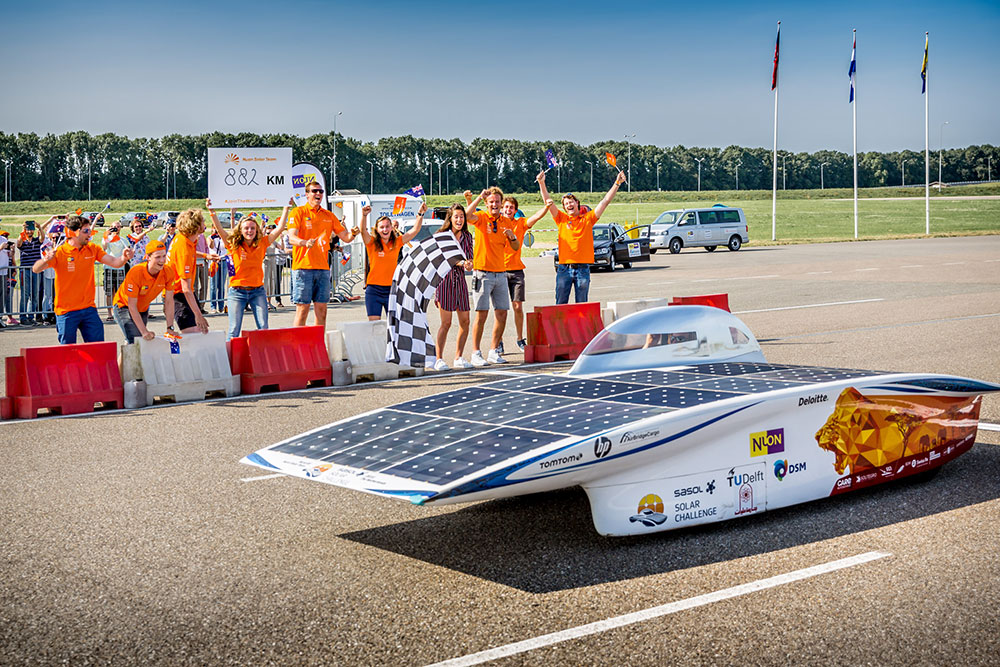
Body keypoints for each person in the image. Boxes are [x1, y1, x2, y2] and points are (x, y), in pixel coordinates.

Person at [31, 214, 132, 344]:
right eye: (85, 231)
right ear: (73, 232)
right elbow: (36, 269)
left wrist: (124, 258)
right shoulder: (60, 252)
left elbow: (115, 262)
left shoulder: (92, 249)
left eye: (89, 230)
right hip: (66, 311)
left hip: (88, 309)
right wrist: (45, 259)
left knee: (97, 348)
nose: (89, 234)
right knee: (68, 351)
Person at [537, 169, 626, 304]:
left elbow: (604, 202)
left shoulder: (588, 219)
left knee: (582, 305)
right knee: (560, 304)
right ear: (564, 208)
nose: (569, 204)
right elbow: (548, 202)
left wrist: (617, 183)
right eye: (566, 204)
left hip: (582, 269)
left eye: (571, 202)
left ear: (577, 203)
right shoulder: (561, 219)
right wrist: (541, 183)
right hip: (564, 268)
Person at [206, 198, 291, 339]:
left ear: (257, 230)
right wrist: (211, 211)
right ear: (240, 230)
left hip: (257, 291)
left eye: (252, 228)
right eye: (246, 228)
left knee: (263, 328)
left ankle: (262, 357)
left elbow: (280, 228)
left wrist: (286, 207)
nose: (249, 231)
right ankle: (230, 359)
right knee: (234, 329)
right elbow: (220, 230)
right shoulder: (234, 244)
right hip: (237, 292)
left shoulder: (262, 243)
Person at [463, 187, 521, 366]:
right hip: (482, 273)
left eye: (497, 202)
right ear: (487, 204)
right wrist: (480, 197)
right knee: (481, 314)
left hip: (501, 273)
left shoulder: (507, 221)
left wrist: (512, 237)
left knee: (502, 313)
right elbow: (465, 215)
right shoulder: (481, 218)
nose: (494, 205)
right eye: (491, 202)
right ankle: (475, 352)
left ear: (501, 204)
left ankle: (494, 350)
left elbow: (516, 247)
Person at [286, 182, 354, 327]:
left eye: (321, 191)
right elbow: (291, 238)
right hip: (303, 268)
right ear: (307, 194)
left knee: (322, 310)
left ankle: (319, 345)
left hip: (323, 269)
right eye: (314, 191)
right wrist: (304, 242)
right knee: (302, 309)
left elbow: (346, 237)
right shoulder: (298, 212)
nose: (318, 194)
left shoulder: (328, 215)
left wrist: (356, 230)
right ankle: (298, 346)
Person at [359, 201, 426, 321]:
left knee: (394, 325)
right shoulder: (371, 243)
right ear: (377, 229)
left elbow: (414, 231)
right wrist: (364, 216)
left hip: (392, 289)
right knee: (375, 325)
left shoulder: (397, 242)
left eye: (387, 226)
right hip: (373, 290)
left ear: (392, 228)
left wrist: (420, 214)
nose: (385, 229)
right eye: (382, 227)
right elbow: (363, 231)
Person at [432, 204, 475, 370]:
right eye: (456, 217)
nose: (459, 220)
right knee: (446, 323)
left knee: (465, 321)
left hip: (461, 282)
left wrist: (469, 264)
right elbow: (442, 259)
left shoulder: (467, 236)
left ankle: (458, 357)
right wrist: (461, 262)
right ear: (449, 218)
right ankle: (439, 359)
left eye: (461, 216)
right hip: (444, 282)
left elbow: (469, 258)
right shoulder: (442, 235)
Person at [111, 240, 177, 344]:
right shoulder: (136, 272)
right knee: (136, 340)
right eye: (158, 257)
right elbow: (131, 306)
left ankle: (119, 360)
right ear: (148, 257)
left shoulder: (168, 272)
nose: (162, 260)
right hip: (123, 306)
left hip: (142, 309)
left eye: (164, 256)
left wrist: (170, 327)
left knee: (134, 343)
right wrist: (144, 331)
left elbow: (169, 302)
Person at [167, 208, 212, 334]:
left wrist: (205, 256)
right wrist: (198, 315)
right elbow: (185, 287)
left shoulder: (184, 239)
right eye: (203, 221)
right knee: (193, 333)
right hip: (178, 294)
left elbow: (190, 254)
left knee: (200, 332)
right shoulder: (184, 248)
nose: (205, 224)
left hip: (183, 293)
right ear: (195, 226)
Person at [16, 220, 43, 324]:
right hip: (25, 270)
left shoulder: (36, 241)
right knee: (25, 294)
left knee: (34, 295)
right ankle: (23, 317)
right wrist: (23, 230)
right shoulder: (23, 241)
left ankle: (31, 317)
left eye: (31, 230)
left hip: (35, 270)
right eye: (28, 230)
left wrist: (39, 227)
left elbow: (42, 238)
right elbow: (18, 243)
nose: (30, 232)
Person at [101, 222, 128, 322]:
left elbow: (127, 248)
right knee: (109, 292)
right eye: (114, 227)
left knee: (119, 292)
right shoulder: (107, 239)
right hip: (109, 267)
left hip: (120, 268)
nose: (116, 229)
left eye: (118, 227)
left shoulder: (123, 240)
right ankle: (109, 313)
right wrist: (107, 235)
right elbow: (104, 246)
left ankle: (118, 312)